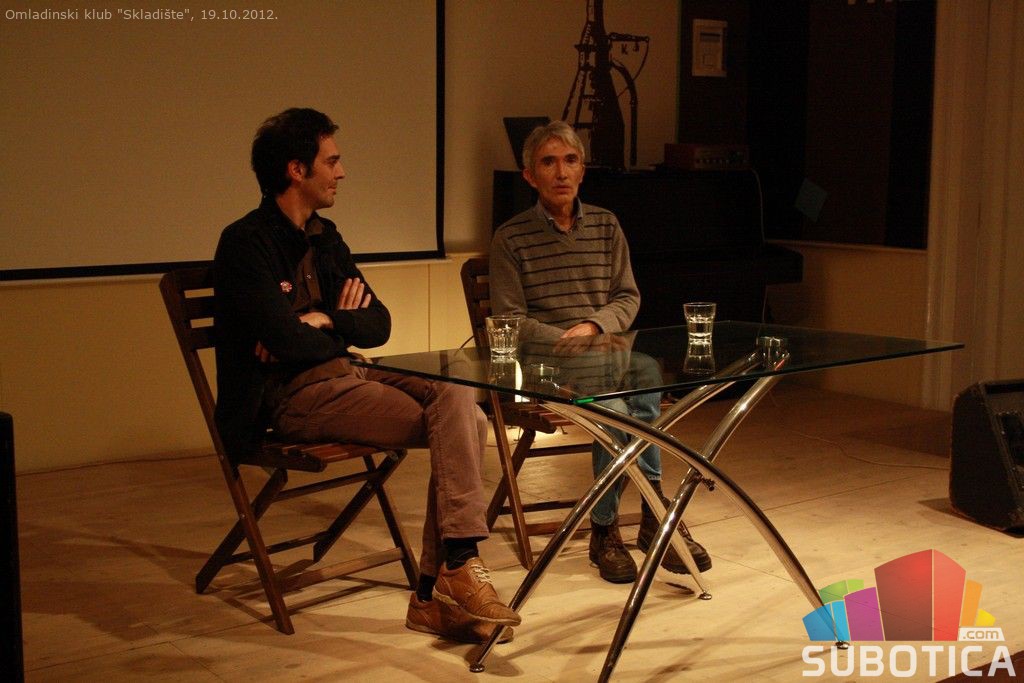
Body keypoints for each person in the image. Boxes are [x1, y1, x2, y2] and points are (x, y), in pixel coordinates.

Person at [213, 108, 519, 643]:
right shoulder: (246, 243)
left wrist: (327, 319)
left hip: (351, 373)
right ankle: (440, 585)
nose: (342, 172)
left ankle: (453, 569)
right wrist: (317, 328)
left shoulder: (325, 238)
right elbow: (284, 343)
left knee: (458, 393)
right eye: (331, 161)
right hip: (293, 397)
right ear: (296, 170)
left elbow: (378, 324)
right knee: (463, 425)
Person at [488, 120, 712, 584]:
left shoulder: (606, 225)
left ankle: (649, 518)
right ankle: (610, 527)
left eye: (570, 161)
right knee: (617, 411)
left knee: (647, 372)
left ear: (582, 170)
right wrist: (567, 338)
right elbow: (510, 320)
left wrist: (594, 326)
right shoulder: (511, 237)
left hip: (605, 351)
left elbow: (627, 297)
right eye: (548, 162)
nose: (561, 172)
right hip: (549, 362)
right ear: (529, 175)